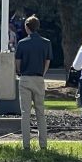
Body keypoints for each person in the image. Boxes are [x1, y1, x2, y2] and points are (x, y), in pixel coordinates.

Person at [14, 15, 51, 150]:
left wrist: (20, 71)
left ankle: (26, 145)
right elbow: (47, 61)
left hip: (25, 77)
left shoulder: (22, 43)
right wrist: (42, 73)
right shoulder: (46, 42)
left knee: (25, 113)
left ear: (26, 27)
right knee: (40, 112)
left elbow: (17, 62)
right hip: (39, 78)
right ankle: (43, 144)